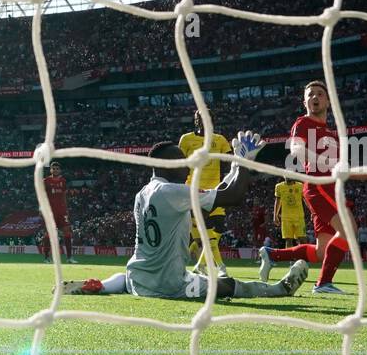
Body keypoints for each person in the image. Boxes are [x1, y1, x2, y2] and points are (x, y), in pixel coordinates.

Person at [64, 134, 308, 301]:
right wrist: (244, 161)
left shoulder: (144, 192)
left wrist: (235, 166)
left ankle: (101, 285)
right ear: (166, 164)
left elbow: (217, 193)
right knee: (225, 285)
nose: (189, 167)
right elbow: (232, 196)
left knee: (129, 277)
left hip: (138, 278)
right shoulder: (172, 192)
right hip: (169, 286)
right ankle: (279, 290)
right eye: (183, 161)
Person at [259, 81, 367, 294]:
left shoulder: (331, 134)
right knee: (349, 230)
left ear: (328, 101)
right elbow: (296, 150)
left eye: (320, 94)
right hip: (318, 187)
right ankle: (323, 283)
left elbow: (340, 170)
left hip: (332, 189)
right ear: (305, 102)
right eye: (310, 94)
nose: (315, 97)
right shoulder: (303, 123)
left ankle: (271, 254)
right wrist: (327, 164)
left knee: (322, 252)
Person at [177, 110, 232, 276]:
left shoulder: (219, 140)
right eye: (199, 118)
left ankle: (199, 261)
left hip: (215, 192)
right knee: (208, 233)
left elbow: (230, 162)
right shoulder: (186, 140)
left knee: (219, 228)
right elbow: (180, 164)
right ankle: (220, 267)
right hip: (194, 191)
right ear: (195, 121)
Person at [42, 162, 75, 263]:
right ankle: (47, 258)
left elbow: (64, 196)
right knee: (48, 234)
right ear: (50, 170)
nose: (55, 170)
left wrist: (66, 209)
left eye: (57, 169)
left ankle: (69, 258)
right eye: (53, 168)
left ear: (59, 170)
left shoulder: (63, 181)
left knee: (67, 232)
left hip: (62, 211)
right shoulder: (46, 181)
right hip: (50, 212)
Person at [273, 178, 306, 247]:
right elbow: (278, 201)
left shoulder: (300, 186)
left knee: (302, 239)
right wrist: (275, 216)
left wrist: (312, 211)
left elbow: (305, 199)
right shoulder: (279, 186)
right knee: (288, 240)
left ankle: (303, 257)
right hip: (286, 218)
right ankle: (289, 257)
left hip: (299, 217)